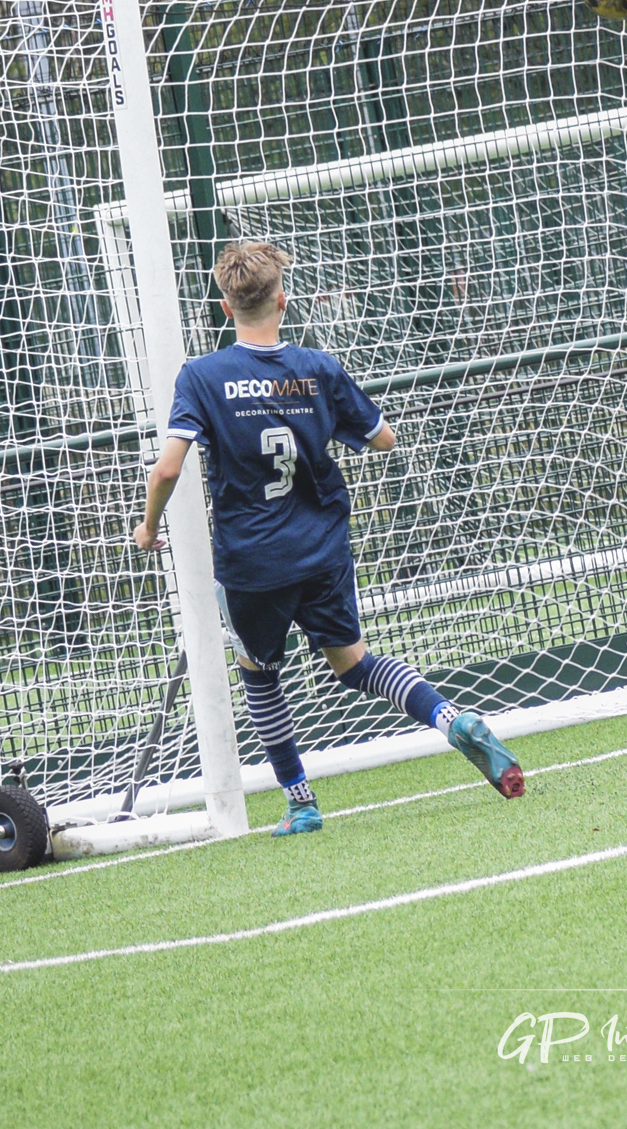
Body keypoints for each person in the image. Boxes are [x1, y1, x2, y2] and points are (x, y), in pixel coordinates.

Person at [134, 241, 524, 836]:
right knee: (354, 662)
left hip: (250, 564)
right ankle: (450, 719)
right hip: (321, 549)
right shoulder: (318, 368)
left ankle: (301, 802)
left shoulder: (203, 377)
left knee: (260, 674)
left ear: (224, 307)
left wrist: (147, 526)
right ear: (282, 301)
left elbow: (166, 468)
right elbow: (383, 438)